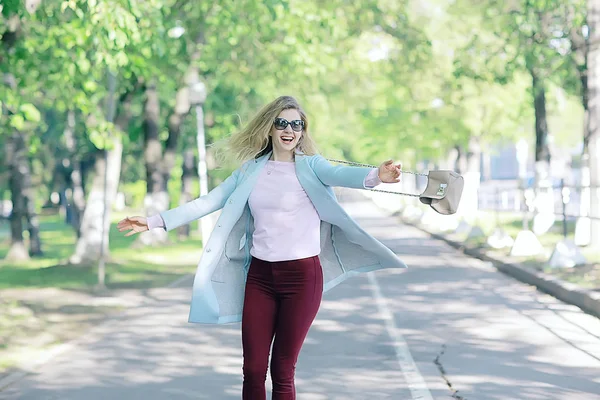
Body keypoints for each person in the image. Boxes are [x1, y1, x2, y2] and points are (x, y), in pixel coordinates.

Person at [117, 95, 406, 400]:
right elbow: (208, 202)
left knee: (283, 370)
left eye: (297, 124)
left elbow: (341, 174)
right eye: (282, 122)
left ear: (303, 131)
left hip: (302, 278)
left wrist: (377, 176)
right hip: (260, 278)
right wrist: (154, 221)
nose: (289, 129)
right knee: (253, 369)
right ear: (270, 128)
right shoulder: (250, 171)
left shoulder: (312, 166)